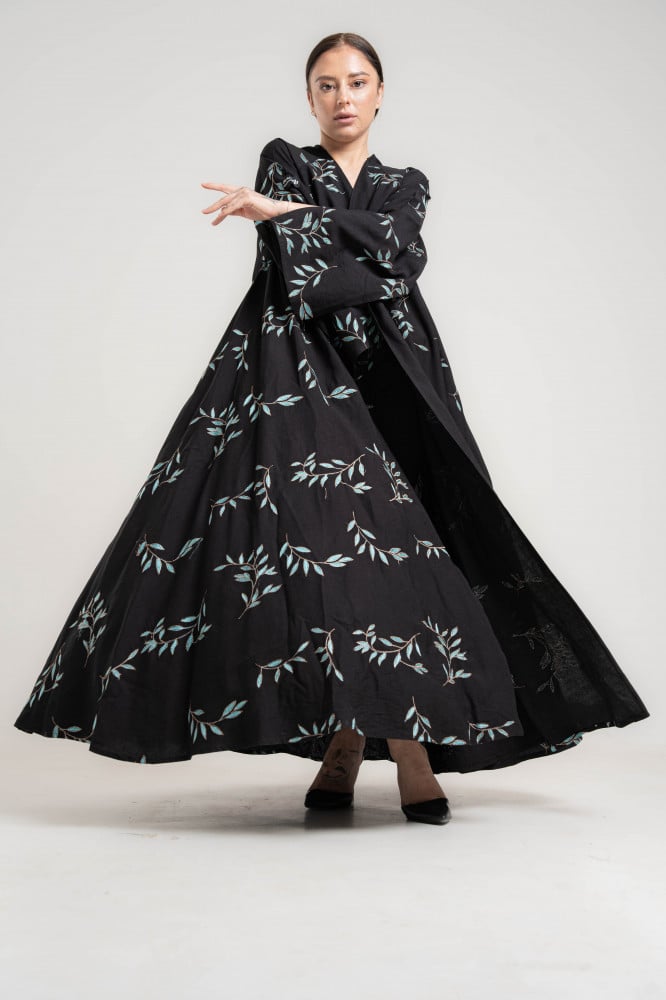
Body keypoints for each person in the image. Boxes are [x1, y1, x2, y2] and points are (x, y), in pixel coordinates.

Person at [13, 32, 650, 827]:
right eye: (326, 84)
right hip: (299, 375)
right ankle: (348, 744)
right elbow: (305, 272)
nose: (342, 96)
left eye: (356, 82)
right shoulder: (284, 159)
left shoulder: (406, 183)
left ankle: (406, 749)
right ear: (309, 97)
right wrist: (320, 230)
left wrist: (290, 217)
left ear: (380, 93)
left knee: (410, 559)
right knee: (330, 568)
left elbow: (399, 256)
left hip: (399, 378)